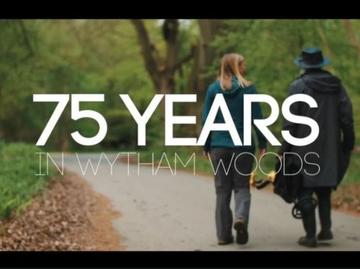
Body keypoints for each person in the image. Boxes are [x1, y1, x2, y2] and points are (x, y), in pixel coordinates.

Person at [279, 48, 355, 248]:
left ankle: (310, 235)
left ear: (303, 65)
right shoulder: (336, 86)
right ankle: (326, 229)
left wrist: (284, 150)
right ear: (321, 64)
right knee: (324, 188)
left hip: (302, 147)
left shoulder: (297, 87)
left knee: (304, 189)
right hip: (330, 147)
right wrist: (348, 141)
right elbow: (347, 117)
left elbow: (289, 123)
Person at [201, 53, 267, 245]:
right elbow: (257, 118)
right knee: (241, 186)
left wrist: (205, 144)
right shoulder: (249, 89)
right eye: (242, 63)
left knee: (222, 191)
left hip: (219, 147)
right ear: (236, 66)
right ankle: (240, 217)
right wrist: (263, 142)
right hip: (243, 147)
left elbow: (207, 119)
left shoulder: (213, 89)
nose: (245, 66)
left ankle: (223, 236)